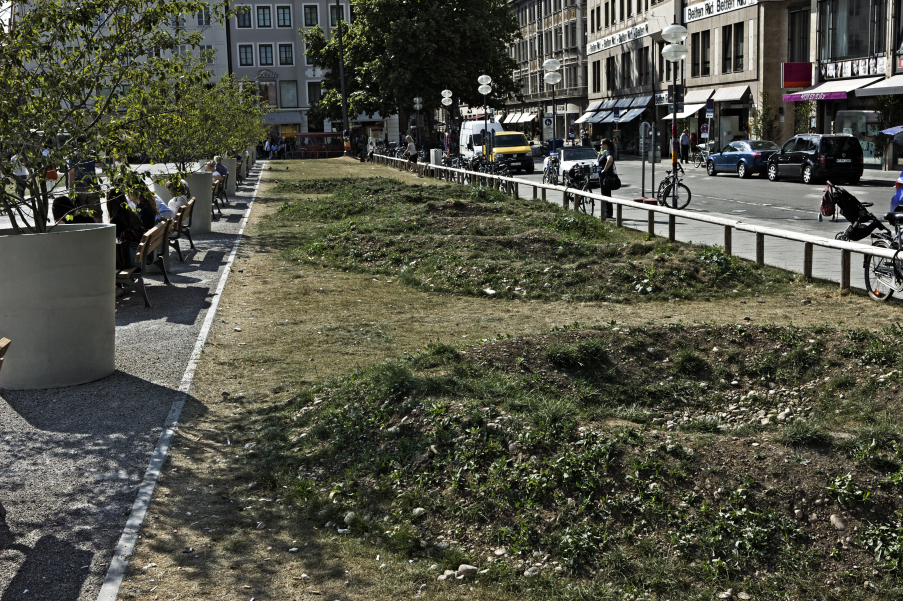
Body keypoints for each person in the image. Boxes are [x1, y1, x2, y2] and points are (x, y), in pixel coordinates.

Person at [67, 140, 105, 223]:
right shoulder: (92, 153)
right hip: (92, 187)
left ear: (76, 143)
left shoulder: (73, 155)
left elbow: (72, 173)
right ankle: (99, 230)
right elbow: (98, 164)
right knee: (96, 213)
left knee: (80, 214)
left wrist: (71, 188)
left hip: (79, 188)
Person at [598, 138, 616, 219]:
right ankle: (607, 212)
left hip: (606, 176)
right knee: (605, 194)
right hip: (603, 176)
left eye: (602, 144)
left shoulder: (608, 152)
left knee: (606, 194)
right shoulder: (604, 152)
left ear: (606, 145)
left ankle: (607, 213)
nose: (600, 145)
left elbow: (610, 159)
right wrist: (600, 152)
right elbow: (598, 160)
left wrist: (604, 169)